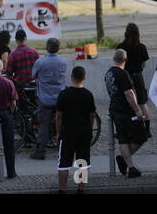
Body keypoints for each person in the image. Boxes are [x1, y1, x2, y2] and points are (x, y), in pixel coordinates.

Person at [105, 49, 147, 178]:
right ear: (125, 60)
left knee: (123, 139)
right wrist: (137, 110)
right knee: (141, 136)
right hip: (126, 111)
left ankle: (130, 167)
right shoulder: (123, 74)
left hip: (115, 110)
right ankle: (124, 161)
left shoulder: (108, 73)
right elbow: (129, 93)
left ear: (114, 59)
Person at [55, 66, 97, 194]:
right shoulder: (88, 94)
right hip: (84, 132)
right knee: (82, 162)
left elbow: (59, 116)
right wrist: (89, 128)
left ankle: (62, 189)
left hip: (68, 132)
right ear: (83, 78)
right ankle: (80, 189)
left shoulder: (64, 94)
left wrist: (58, 133)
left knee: (63, 163)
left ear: (72, 76)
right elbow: (92, 115)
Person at [30, 38, 67, 160]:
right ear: (58, 48)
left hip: (45, 98)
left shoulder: (40, 62)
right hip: (60, 98)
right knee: (61, 124)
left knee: (44, 124)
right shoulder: (63, 62)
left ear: (47, 47)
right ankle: (63, 148)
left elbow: (33, 75)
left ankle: (41, 150)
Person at [116, 23, 151, 138]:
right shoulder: (141, 47)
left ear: (126, 33)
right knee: (142, 103)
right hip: (137, 76)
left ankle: (127, 129)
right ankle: (147, 129)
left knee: (126, 103)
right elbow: (143, 63)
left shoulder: (121, 46)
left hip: (125, 76)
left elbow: (118, 62)